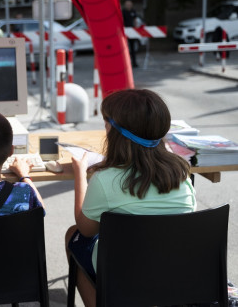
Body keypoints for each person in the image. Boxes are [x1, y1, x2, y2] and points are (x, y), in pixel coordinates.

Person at [64, 89, 196, 307]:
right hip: (171, 272)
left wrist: (80, 175)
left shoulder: (105, 180)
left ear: (116, 134)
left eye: (106, 124)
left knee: (73, 235)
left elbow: (86, 230)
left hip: (122, 273)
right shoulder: (182, 175)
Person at [122, 0, 139, 68]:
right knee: (125, 48)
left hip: (132, 31)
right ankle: (125, 63)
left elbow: (135, 20)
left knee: (132, 48)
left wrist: (136, 28)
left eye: (130, 4)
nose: (129, 6)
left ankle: (134, 63)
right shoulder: (123, 12)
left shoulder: (133, 11)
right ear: (125, 5)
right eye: (127, 4)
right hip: (125, 31)